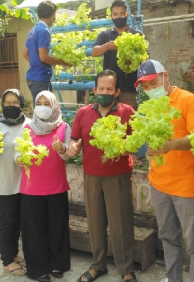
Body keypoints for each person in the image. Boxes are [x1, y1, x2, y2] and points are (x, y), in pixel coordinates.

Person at [134, 60, 194, 282]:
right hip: (159, 184)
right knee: (168, 237)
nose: (150, 89)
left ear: (165, 76)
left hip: (187, 186)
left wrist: (171, 145)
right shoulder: (148, 108)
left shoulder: (188, 100)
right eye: (145, 87)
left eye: (153, 82)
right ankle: (173, 278)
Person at [69, 70, 137, 282]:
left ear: (117, 92)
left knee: (120, 222)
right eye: (101, 88)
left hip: (118, 175)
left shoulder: (127, 112)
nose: (105, 92)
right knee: (95, 222)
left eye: (109, 89)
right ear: (95, 90)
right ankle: (98, 265)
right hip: (91, 175)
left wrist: (122, 148)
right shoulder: (83, 113)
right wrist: (72, 147)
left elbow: (136, 144)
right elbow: (74, 140)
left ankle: (126, 269)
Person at [16, 91, 72, 282]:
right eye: (39, 103)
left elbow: (67, 155)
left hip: (56, 186)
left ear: (54, 106)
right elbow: (17, 154)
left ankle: (58, 263)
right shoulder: (27, 128)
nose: (42, 106)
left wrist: (62, 149)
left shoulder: (64, 127)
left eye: (46, 103)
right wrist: (19, 160)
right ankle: (37, 268)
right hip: (31, 189)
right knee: (33, 231)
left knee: (57, 228)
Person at [0, 89, 30, 276]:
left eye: (15, 103)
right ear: (3, 104)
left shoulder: (28, 124)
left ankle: (13, 254)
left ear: (21, 104)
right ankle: (6, 260)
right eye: (8, 103)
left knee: (18, 221)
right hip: (3, 182)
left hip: (24, 183)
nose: (11, 106)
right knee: (6, 222)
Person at [91, 0, 144, 109]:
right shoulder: (105, 35)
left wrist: (132, 58)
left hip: (129, 87)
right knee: (107, 117)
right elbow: (94, 51)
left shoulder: (136, 34)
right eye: (115, 14)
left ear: (127, 14)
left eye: (121, 13)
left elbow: (144, 56)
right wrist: (107, 46)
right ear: (111, 16)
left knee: (128, 117)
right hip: (109, 87)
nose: (118, 17)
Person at [23, 0, 69, 105]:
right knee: (44, 110)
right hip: (40, 78)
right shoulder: (44, 31)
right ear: (52, 14)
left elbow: (25, 54)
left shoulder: (33, 30)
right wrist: (62, 62)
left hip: (32, 76)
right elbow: (43, 57)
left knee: (41, 109)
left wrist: (35, 63)